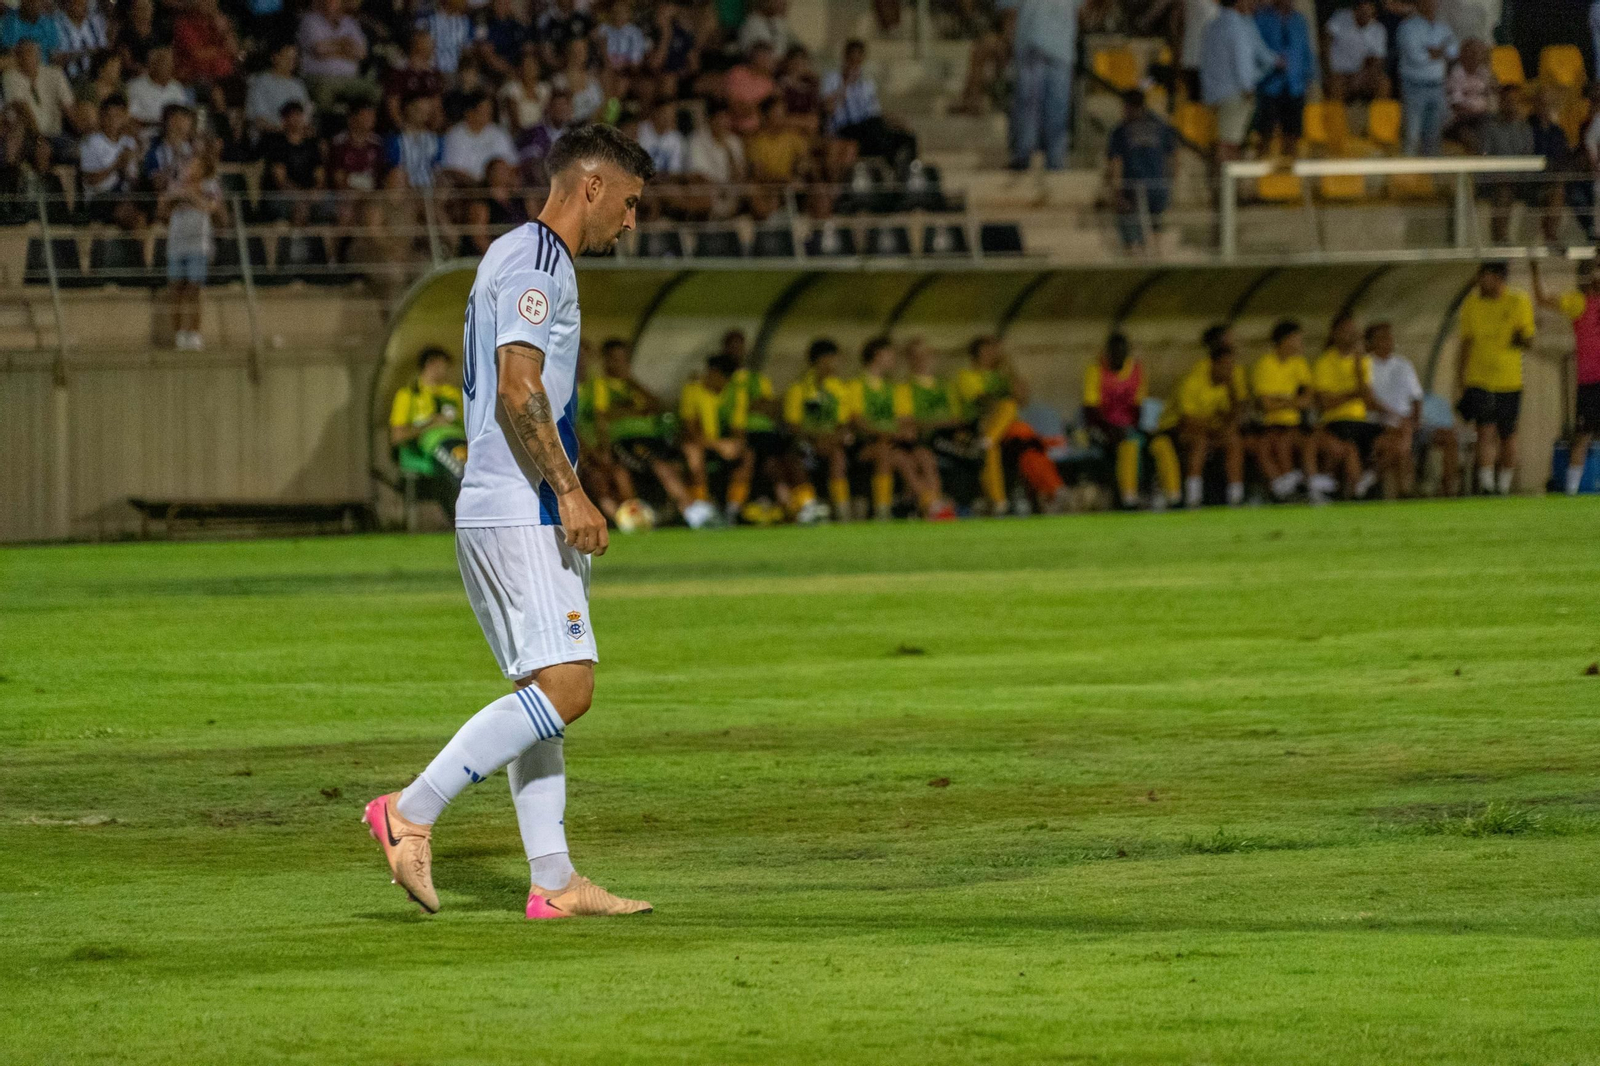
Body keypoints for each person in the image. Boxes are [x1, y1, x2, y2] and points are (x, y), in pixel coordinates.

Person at [362, 125, 658, 920]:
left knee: (542, 692)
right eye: (628, 205)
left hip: (499, 504)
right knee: (569, 687)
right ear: (591, 187)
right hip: (523, 505)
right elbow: (517, 387)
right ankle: (409, 811)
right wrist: (568, 491)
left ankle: (555, 882)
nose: (630, 224)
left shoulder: (510, 253)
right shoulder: (537, 260)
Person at [591, 338, 714, 529]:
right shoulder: (601, 385)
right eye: (615, 358)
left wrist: (632, 382)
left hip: (653, 439)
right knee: (659, 465)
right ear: (605, 360)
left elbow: (659, 406)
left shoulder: (633, 386)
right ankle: (694, 512)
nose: (620, 363)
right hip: (628, 441)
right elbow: (604, 415)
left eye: (623, 359)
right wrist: (635, 411)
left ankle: (696, 505)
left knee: (684, 461)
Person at [956, 335, 1070, 514]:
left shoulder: (1001, 375)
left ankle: (1054, 490)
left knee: (1029, 449)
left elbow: (1023, 398)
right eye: (986, 352)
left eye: (993, 352)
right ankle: (998, 501)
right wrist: (1003, 401)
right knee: (1008, 411)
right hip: (982, 424)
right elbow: (983, 402)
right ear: (975, 355)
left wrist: (1008, 367)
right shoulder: (967, 376)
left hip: (1006, 432)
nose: (991, 355)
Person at [1455, 261, 1533, 495]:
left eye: (1485, 276)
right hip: (1479, 379)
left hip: (1509, 380)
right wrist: (1461, 377)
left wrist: (1519, 337)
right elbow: (1466, 342)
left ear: (1499, 278)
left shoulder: (1518, 301)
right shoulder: (1471, 305)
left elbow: (1528, 338)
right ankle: (1487, 485)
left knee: (1508, 434)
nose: (1480, 281)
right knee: (1485, 432)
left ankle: (1504, 485)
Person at [1002, 0, 1104, 172]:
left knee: (1056, 111)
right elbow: (1010, 12)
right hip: (1031, 49)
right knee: (1028, 106)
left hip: (1060, 51)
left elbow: (1084, 16)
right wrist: (1009, 44)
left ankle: (1054, 161)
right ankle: (1023, 156)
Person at [1154, 326, 1248, 507]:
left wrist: (1233, 394)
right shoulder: (1193, 381)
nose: (1230, 371)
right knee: (1200, 442)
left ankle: (1236, 496)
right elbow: (1187, 421)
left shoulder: (1229, 384)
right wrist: (1218, 428)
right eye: (1226, 366)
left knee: (1233, 441)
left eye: (1232, 366)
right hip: (1172, 429)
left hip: (1209, 429)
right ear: (1214, 364)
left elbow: (1232, 416)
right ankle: (1193, 497)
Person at [848, 336, 938, 520]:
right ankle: (887, 510)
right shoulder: (856, 386)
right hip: (867, 444)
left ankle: (932, 503)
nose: (894, 359)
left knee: (924, 456)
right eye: (890, 354)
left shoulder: (893, 388)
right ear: (877, 355)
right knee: (890, 455)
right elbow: (858, 422)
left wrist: (906, 431)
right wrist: (890, 432)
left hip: (893, 441)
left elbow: (905, 419)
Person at [1531, 260, 1600, 496]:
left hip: (1590, 382)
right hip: (1590, 381)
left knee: (1584, 436)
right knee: (1582, 436)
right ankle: (1571, 491)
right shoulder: (1578, 303)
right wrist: (1534, 269)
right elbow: (1542, 298)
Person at [390, 347, 468, 515]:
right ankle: (466, 518)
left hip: (460, 442)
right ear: (430, 364)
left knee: (475, 469)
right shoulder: (409, 394)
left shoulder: (453, 394)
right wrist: (431, 424)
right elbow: (397, 436)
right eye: (443, 366)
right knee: (462, 473)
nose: (446, 371)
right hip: (430, 446)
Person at [679, 354, 756, 523]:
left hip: (723, 446)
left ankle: (733, 510)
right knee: (694, 453)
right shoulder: (693, 390)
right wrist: (718, 445)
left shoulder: (735, 394)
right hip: (700, 444)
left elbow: (739, 430)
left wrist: (736, 445)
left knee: (747, 454)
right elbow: (690, 431)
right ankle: (703, 509)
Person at [1313, 313, 1381, 499]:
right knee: (1349, 447)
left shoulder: (1363, 362)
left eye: (1354, 332)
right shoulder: (1325, 362)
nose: (1352, 336)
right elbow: (1326, 403)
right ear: (1335, 334)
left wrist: (1358, 371)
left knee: (1393, 441)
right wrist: (1354, 394)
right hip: (1336, 421)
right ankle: (1357, 491)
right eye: (1347, 331)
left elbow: (1367, 398)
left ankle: (1368, 480)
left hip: (1361, 420)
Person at [1200, 0, 1276, 164]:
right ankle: (1227, 188)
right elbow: (1242, 61)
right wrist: (1248, 88)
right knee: (1229, 145)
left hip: (1213, 94)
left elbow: (1205, 61)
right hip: (1235, 95)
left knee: (1223, 142)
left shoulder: (1211, 26)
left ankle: (1223, 186)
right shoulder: (1238, 27)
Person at [821, 39, 916, 169]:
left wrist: (897, 122)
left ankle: (907, 174)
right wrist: (845, 84)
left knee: (907, 138)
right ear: (845, 58)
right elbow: (828, 108)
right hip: (844, 127)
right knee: (875, 129)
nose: (854, 65)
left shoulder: (867, 84)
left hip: (868, 127)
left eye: (858, 61)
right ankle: (889, 167)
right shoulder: (832, 79)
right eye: (851, 60)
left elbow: (874, 112)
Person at [159, 153, 221, 351]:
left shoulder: (210, 186)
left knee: (194, 289)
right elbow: (163, 211)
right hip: (176, 244)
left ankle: (194, 332)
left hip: (198, 245)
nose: (189, 168)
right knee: (175, 290)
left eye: (194, 165)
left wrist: (189, 195)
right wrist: (173, 197)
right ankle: (179, 334)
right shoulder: (174, 186)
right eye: (187, 165)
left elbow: (210, 207)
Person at [1250, 319, 1318, 502]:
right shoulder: (1265, 364)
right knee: (1270, 444)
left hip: (1295, 424)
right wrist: (1292, 401)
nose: (1301, 343)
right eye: (1297, 338)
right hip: (1270, 424)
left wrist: (1282, 400)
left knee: (1289, 441)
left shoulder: (1299, 363)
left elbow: (1308, 400)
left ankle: (1297, 487)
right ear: (1286, 340)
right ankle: (1288, 489)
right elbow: (1265, 405)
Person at [1083, 331, 1150, 509]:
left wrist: (1127, 428)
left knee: (1132, 442)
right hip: (1102, 429)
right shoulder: (1096, 369)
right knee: (1126, 442)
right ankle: (1128, 496)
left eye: (1122, 352)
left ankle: (1130, 495)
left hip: (1127, 429)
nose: (1118, 357)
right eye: (1115, 353)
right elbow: (1091, 410)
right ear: (1108, 353)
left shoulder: (1135, 370)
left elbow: (1138, 407)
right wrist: (1112, 430)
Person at [1105, 88, 1177, 252]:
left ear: (1127, 106)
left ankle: (1134, 255)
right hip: (1158, 186)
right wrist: (1171, 182)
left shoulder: (1122, 130)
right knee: (1155, 228)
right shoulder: (1160, 126)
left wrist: (1116, 191)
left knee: (1131, 233)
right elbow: (1173, 156)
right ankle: (1157, 257)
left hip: (1134, 187)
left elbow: (1116, 162)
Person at [1364, 322, 1426, 497]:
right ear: (1370, 343)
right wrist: (1395, 416)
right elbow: (1367, 398)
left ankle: (1372, 477)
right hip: (1375, 420)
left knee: (1403, 437)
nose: (1388, 341)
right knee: (1400, 440)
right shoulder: (1365, 365)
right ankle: (1403, 490)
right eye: (1382, 338)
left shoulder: (1403, 365)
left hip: (1403, 420)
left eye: (1389, 337)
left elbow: (1417, 397)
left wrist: (1416, 420)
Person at [1253, 0, 1315, 157]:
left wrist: (1309, 75)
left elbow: (1306, 49)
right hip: (1269, 84)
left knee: (1292, 133)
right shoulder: (1263, 19)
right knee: (1265, 132)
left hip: (1295, 85)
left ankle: (1289, 174)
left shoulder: (1299, 20)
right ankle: (1262, 173)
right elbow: (1256, 50)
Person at [1396, 0, 1457, 157]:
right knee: (1412, 135)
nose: (1432, 4)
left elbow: (1453, 52)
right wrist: (1438, 51)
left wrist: (1432, 51)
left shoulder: (1443, 28)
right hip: (1414, 86)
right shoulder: (1408, 27)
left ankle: (1432, 180)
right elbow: (1415, 56)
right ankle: (1407, 179)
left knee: (1434, 136)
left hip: (1437, 86)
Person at [79, 94, 144, 230]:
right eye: (109, 116)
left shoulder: (128, 142)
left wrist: (128, 167)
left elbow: (133, 179)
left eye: (118, 116)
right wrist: (116, 165)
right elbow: (92, 181)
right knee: (131, 215)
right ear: (101, 117)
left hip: (125, 195)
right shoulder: (91, 142)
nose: (113, 121)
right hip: (100, 199)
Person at [3, 40, 75, 141]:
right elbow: (22, 108)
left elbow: (68, 106)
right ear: (17, 57)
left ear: (39, 56)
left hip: (55, 133)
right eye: (23, 53)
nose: (27, 57)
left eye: (31, 52)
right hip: (27, 136)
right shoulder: (10, 76)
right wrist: (39, 138)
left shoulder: (55, 73)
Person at [440, 93, 516, 186]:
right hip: (467, 189)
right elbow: (453, 170)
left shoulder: (499, 133)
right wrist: (478, 186)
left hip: (498, 190)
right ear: (469, 112)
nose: (488, 114)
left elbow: (512, 165)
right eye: (483, 110)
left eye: (490, 110)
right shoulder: (455, 135)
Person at [1323, 0, 1389, 103]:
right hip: (1339, 72)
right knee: (1335, 86)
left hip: (1363, 74)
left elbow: (1377, 60)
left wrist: (1361, 76)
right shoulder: (1341, 17)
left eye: (1368, 13)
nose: (1365, 15)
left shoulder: (1378, 29)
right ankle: (1336, 118)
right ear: (1356, 10)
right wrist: (1328, 69)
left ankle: (1380, 118)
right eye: (1362, 11)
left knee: (1384, 84)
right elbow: (1326, 40)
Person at [246, 42, 312, 137]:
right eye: (287, 58)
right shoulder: (260, 83)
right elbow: (259, 120)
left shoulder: (298, 84)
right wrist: (285, 132)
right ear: (275, 57)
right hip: (271, 138)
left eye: (294, 59)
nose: (291, 62)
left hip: (296, 139)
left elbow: (305, 115)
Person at [125, 47, 190, 134]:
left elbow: (183, 115)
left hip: (172, 138)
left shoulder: (177, 87)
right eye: (163, 63)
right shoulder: (135, 86)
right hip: (145, 136)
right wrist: (159, 123)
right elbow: (131, 118)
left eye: (170, 63)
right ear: (152, 65)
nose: (168, 67)